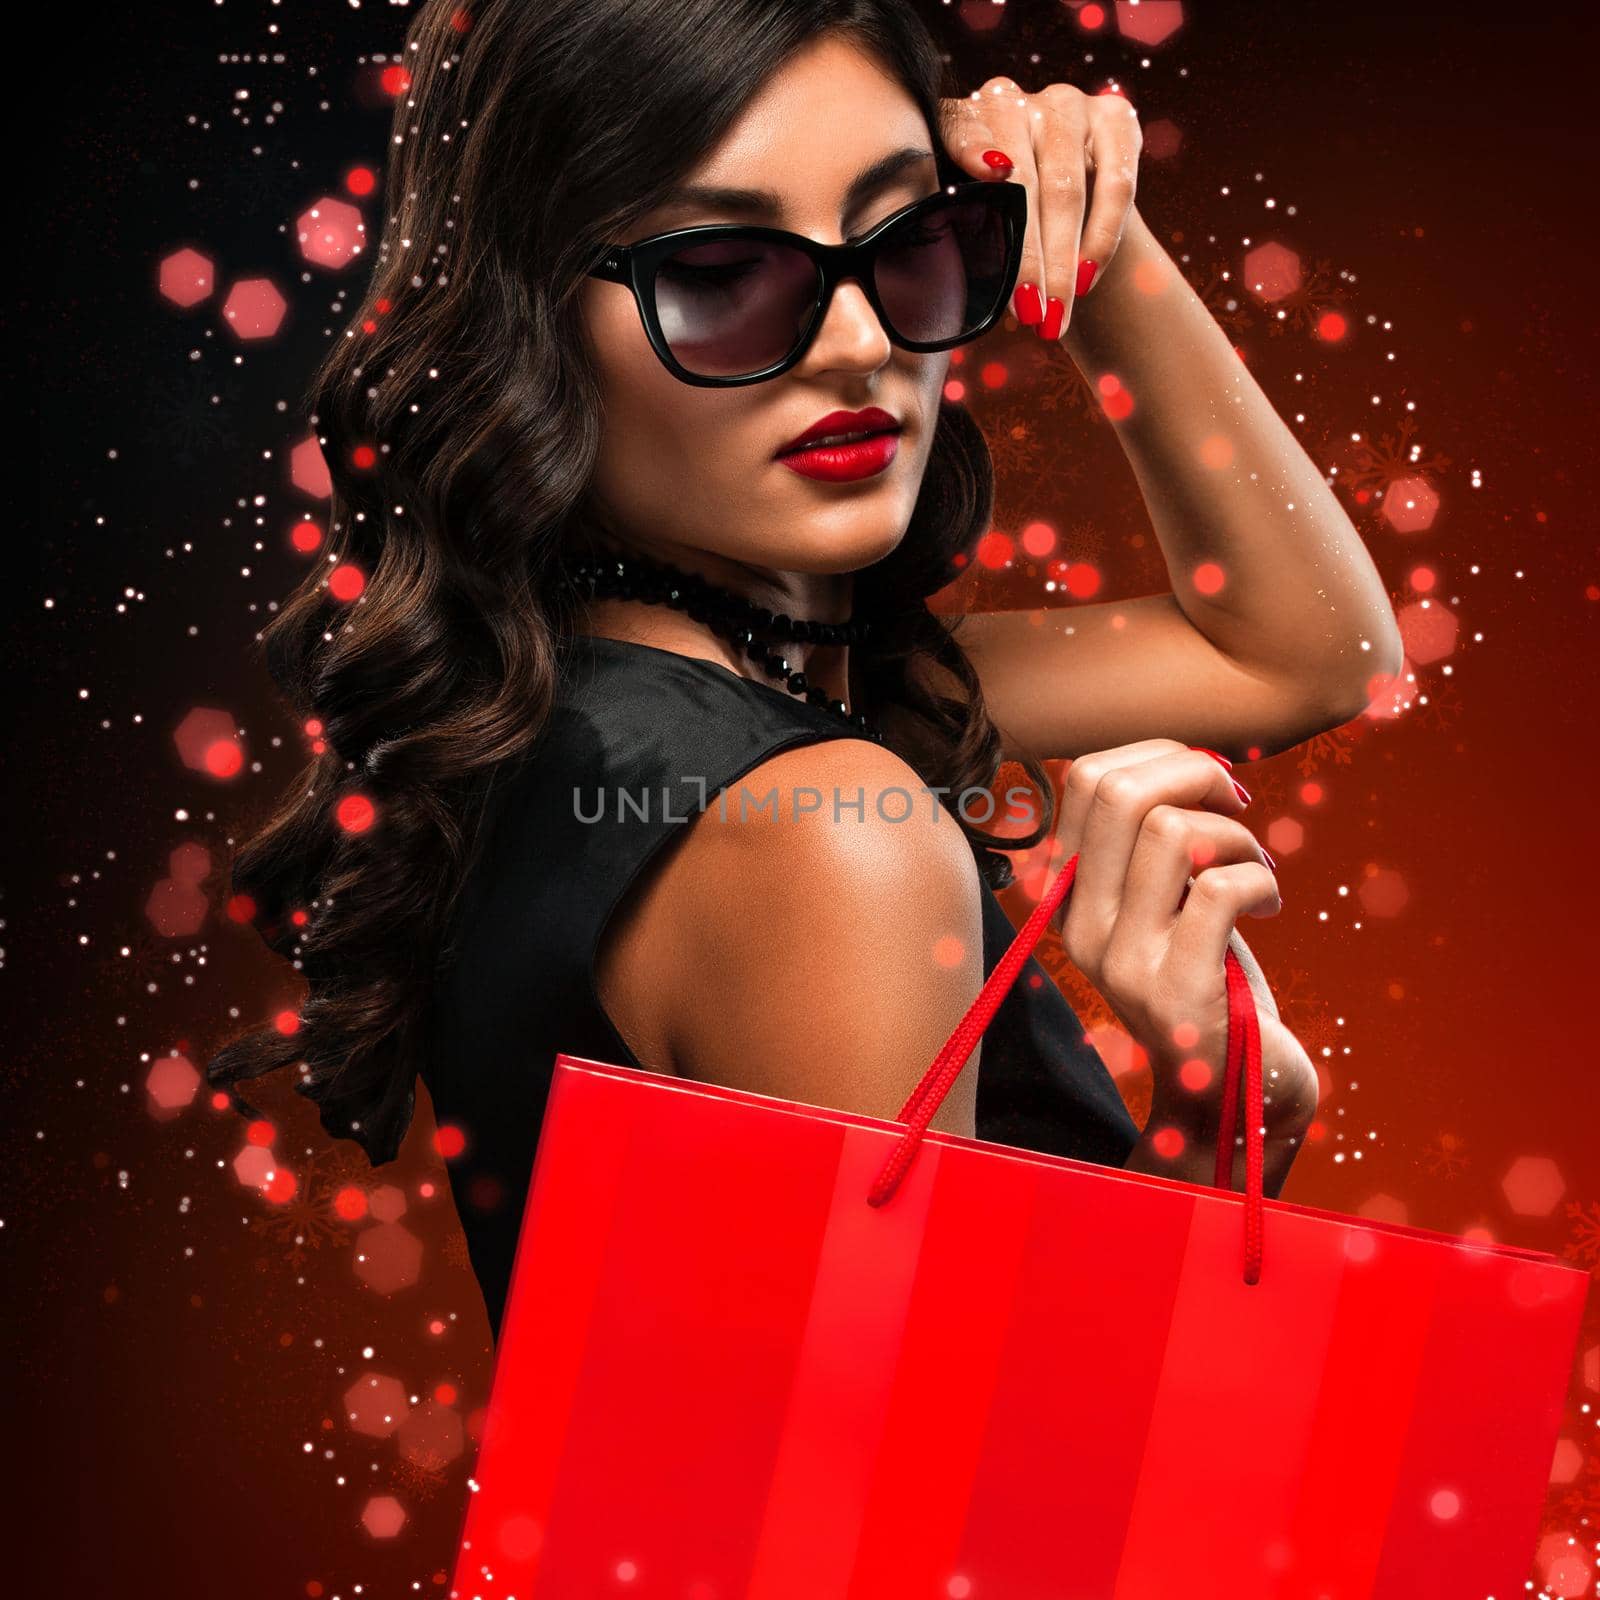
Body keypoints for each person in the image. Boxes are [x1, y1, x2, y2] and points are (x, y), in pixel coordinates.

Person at [206, 0, 1400, 1342]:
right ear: (528, 318)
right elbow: (936, 1527)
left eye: (906, 241)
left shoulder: (583, 717)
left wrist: (1086, 234)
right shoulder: (817, 827)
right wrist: (1213, 1145)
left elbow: (1306, 654)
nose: (855, 343)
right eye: (720, 272)